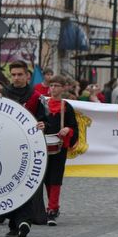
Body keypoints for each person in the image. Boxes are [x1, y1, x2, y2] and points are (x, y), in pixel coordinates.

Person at [0, 61, 47, 237]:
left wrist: (44, 124)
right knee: (9, 185)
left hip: (29, 148)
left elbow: (45, 120)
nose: (16, 78)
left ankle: (24, 221)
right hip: (6, 147)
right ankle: (15, 224)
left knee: (26, 184)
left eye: (20, 74)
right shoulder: (3, 95)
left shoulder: (35, 97)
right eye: (13, 75)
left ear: (27, 76)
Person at [44, 75, 79, 226]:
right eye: (52, 86)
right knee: (45, 177)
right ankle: (50, 206)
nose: (54, 89)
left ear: (63, 88)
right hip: (44, 146)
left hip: (59, 147)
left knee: (56, 177)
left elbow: (74, 127)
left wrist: (68, 130)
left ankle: (53, 208)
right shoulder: (43, 104)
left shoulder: (66, 106)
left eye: (57, 86)